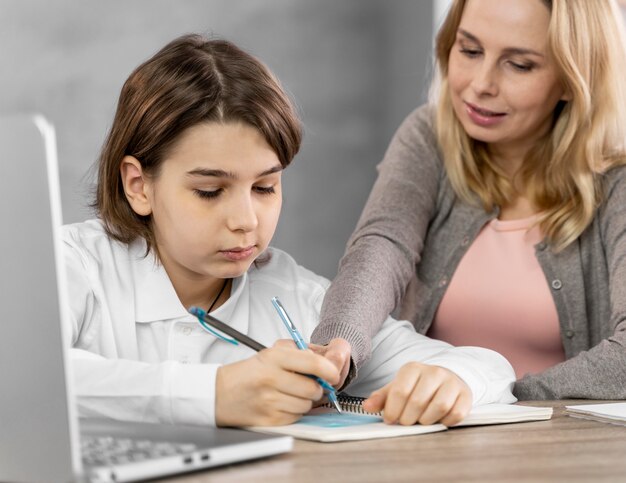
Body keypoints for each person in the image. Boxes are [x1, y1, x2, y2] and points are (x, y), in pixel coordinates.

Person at [64, 33, 515, 429]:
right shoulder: (73, 267)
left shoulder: (297, 298)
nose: (246, 220)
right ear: (138, 186)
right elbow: (26, 378)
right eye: (208, 191)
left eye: (265, 187)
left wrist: (453, 382)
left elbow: (487, 367)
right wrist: (216, 393)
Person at [312, 0, 626, 401]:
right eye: (470, 50)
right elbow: (382, 245)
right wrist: (339, 343)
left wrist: (484, 392)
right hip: (429, 436)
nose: (480, 84)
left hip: (556, 449)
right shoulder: (429, 137)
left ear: (572, 77)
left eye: (520, 64)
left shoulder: (616, 181)